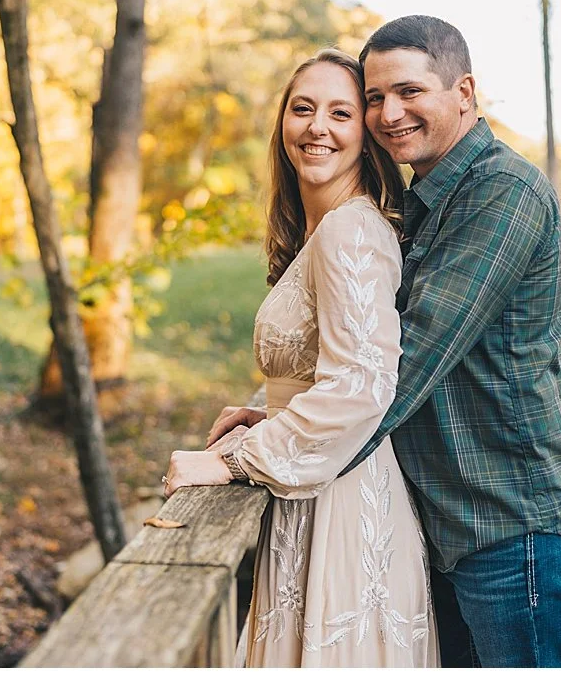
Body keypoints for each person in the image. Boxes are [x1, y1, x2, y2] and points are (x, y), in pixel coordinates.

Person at [205, 16, 561, 668]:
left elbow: (397, 368)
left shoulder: (503, 192)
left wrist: (252, 452)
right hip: (452, 521)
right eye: (375, 97)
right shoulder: (424, 201)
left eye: (409, 92)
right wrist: (288, 412)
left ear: (464, 93)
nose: (389, 112)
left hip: (514, 523)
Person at [162, 48, 439, 667]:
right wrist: (271, 418)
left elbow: (363, 386)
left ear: (365, 139)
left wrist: (234, 462)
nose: (317, 127)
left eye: (341, 113)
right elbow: (329, 371)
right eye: (303, 109)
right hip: (310, 489)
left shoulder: (350, 231)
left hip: (341, 504)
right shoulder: (325, 230)